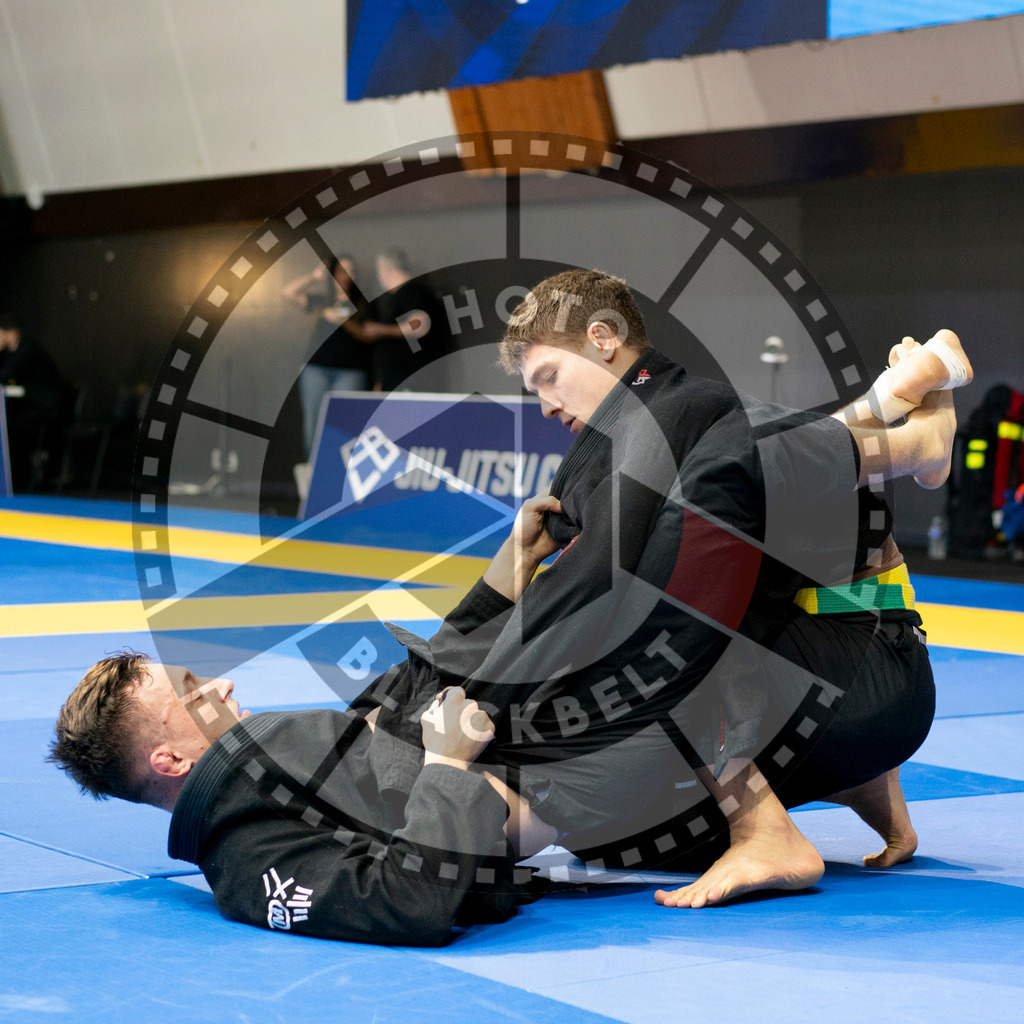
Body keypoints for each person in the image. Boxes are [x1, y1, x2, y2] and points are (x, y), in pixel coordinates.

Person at [48, 310, 967, 945]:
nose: (218, 686)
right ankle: (880, 434)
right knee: (666, 563)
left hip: (513, 723)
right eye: (190, 699)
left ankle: (879, 447)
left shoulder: (252, 762)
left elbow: (392, 705)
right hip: (543, 767)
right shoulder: (247, 857)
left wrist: (496, 584)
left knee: (616, 509)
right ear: (170, 764)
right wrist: (449, 770)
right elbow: (409, 901)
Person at [488, 268, 971, 908]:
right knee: (611, 838)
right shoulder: (640, 444)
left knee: (667, 618)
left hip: (870, 674)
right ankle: (864, 785)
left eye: (548, 378)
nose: (545, 405)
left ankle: (764, 830)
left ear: (602, 340)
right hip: (858, 688)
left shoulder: (686, 418)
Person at [283, 256, 372, 458]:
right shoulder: (322, 301)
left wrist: (343, 321)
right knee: (314, 422)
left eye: (350, 270)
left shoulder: (364, 305)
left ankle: (340, 472)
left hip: (350, 371)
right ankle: (315, 472)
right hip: (317, 369)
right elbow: (288, 293)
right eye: (341, 270)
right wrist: (315, 276)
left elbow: (368, 335)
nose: (345, 276)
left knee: (346, 423)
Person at [360, 249, 447, 390]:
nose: (379, 277)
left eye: (379, 271)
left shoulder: (412, 293)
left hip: (411, 380)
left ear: (386, 269)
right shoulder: (399, 296)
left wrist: (381, 330)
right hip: (398, 379)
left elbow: (419, 324)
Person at [0, 314, 69, 490]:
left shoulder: (27, 350)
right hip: (35, 405)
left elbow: (4, 375)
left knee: (9, 427)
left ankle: (17, 480)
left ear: (11, 334)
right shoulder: (14, 353)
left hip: (49, 409)